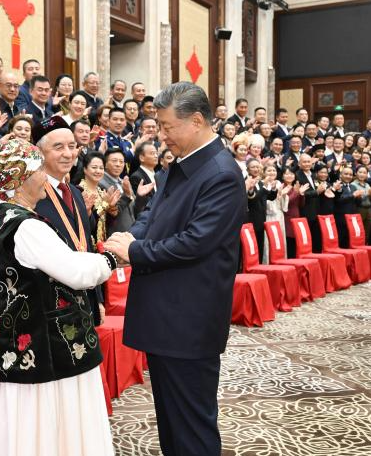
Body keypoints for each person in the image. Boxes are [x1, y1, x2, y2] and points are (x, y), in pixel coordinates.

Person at [103, 82, 245, 456]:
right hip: (167, 315)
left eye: (168, 127)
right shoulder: (183, 163)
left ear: (196, 120)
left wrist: (137, 252)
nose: (162, 136)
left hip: (189, 319)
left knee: (192, 427)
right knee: (171, 421)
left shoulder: (221, 173)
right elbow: (153, 214)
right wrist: (127, 241)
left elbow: (196, 242)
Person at [0, 138, 116, 456]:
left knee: (24, 427)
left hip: (12, 343)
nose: (45, 176)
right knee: (55, 430)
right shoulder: (27, 227)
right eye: (39, 168)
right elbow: (76, 272)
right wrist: (111, 258)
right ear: (21, 177)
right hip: (47, 349)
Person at [33, 116, 105, 325]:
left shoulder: (75, 192)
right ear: (40, 153)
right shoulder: (32, 196)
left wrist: (97, 298)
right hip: (52, 305)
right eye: (58, 147)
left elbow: (87, 245)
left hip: (85, 299)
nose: (68, 154)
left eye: (72, 146)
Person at [78, 151, 118, 243]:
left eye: (101, 168)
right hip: (87, 242)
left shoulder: (101, 191)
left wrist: (112, 208)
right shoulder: (79, 190)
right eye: (94, 167)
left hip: (103, 241)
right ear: (85, 169)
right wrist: (105, 204)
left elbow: (106, 222)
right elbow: (87, 220)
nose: (98, 171)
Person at [351, 165, 371, 243]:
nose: (362, 174)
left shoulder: (367, 185)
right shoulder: (353, 185)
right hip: (359, 209)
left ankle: (365, 247)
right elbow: (355, 198)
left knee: (367, 232)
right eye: (360, 172)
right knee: (358, 231)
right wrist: (367, 193)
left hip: (369, 209)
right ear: (356, 173)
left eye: (364, 172)